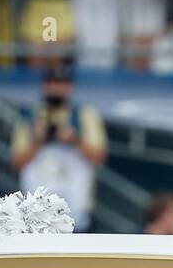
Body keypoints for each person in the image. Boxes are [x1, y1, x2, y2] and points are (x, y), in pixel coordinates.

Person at [9, 61, 107, 231]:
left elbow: (99, 157)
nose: (57, 89)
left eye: (62, 83)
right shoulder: (30, 116)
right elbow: (16, 163)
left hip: (76, 214)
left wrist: (74, 139)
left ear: (70, 87)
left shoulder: (84, 115)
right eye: (52, 83)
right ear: (44, 85)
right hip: (36, 218)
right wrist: (38, 140)